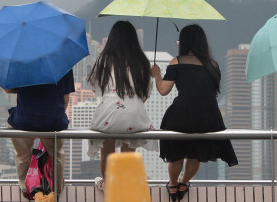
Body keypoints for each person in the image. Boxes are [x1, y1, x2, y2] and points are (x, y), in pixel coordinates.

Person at [151, 24, 237, 201]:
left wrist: (157, 75)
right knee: (196, 152)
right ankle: (184, 182)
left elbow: (163, 90)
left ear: (184, 42)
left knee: (176, 153)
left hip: (182, 113)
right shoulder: (213, 65)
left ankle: (173, 186)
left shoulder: (177, 61)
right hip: (209, 115)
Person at [86, 20, 156, 192]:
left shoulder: (104, 59)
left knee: (107, 152)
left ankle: (108, 186)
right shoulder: (142, 61)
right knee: (128, 153)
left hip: (110, 109)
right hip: (135, 111)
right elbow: (145, 93)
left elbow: (96, 87)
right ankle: (124, 187)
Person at [6, 69, 75, 199]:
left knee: (22, 154)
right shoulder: (63, 64)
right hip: (53, 121)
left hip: (24, 120)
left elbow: (8, 90)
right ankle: (56, 190)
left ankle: (26, 188)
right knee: (56, 154)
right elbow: (66, 101)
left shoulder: (21, 63)